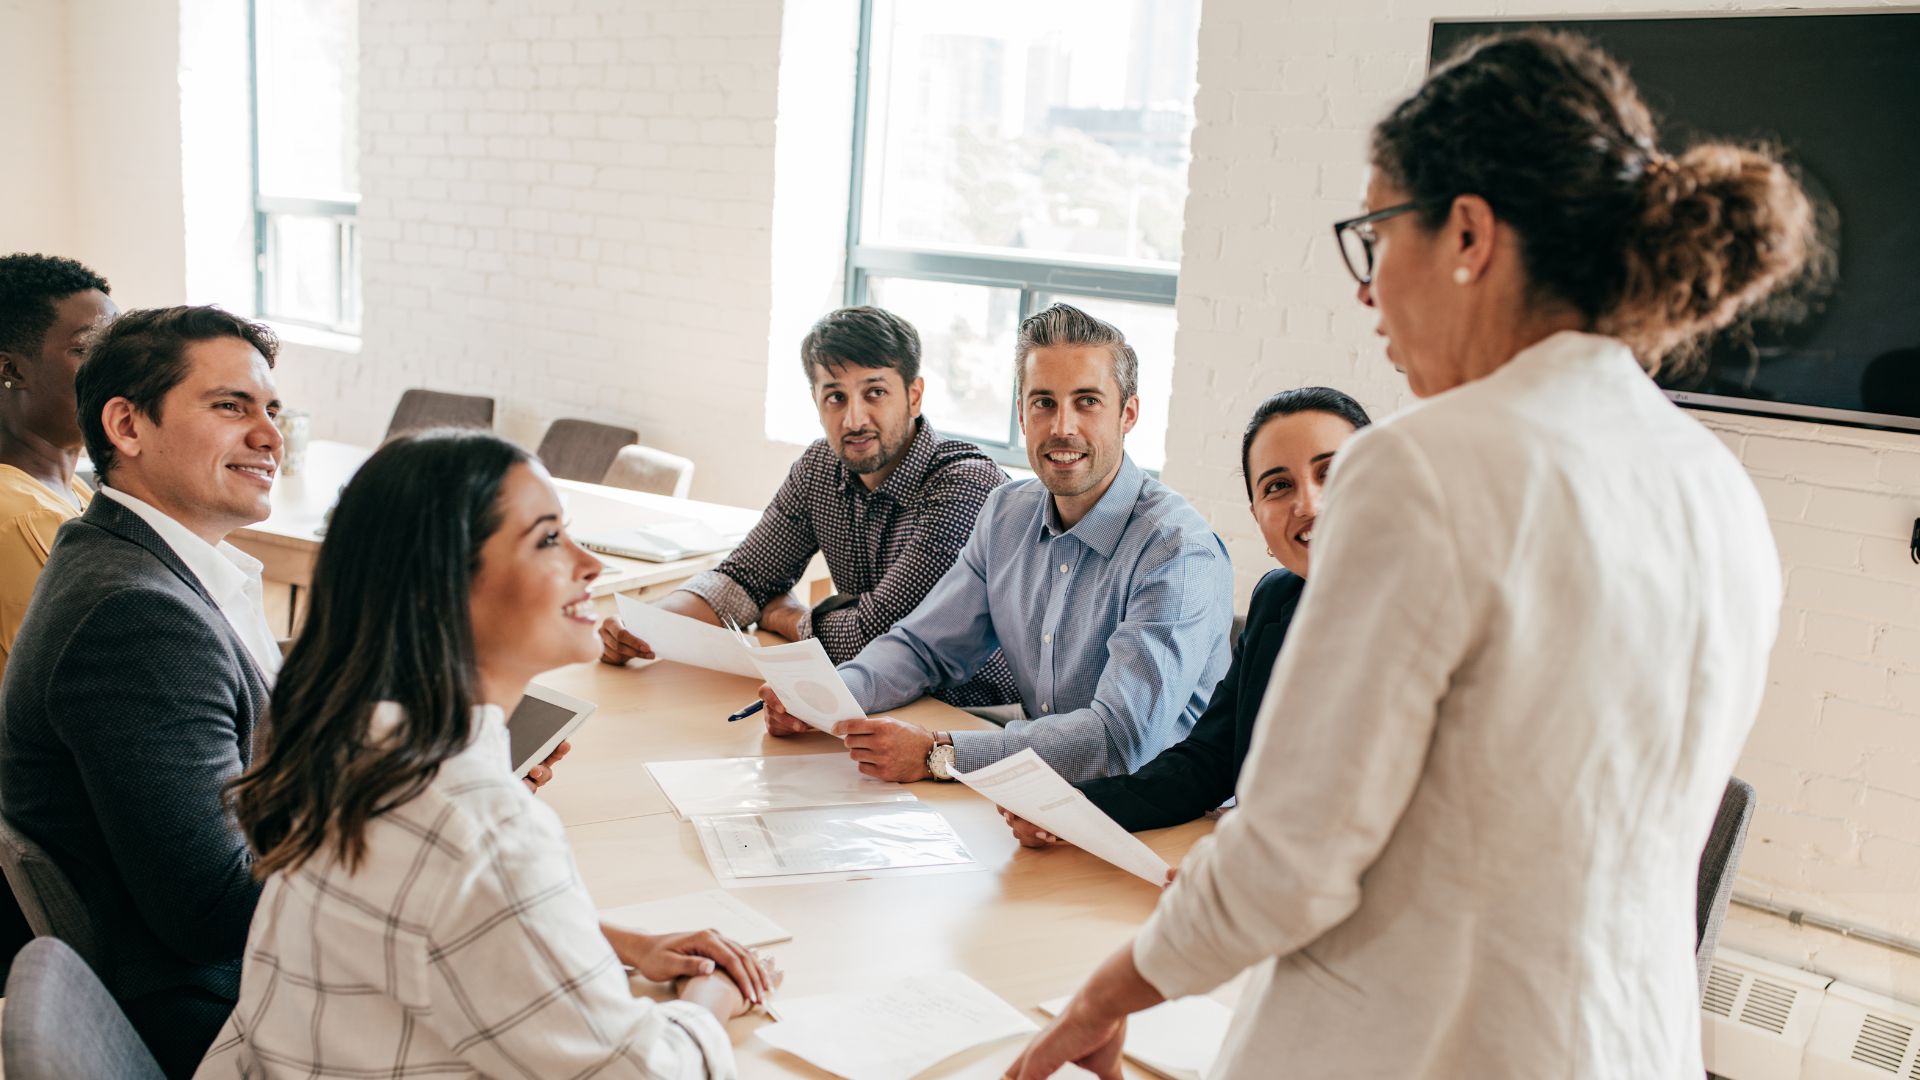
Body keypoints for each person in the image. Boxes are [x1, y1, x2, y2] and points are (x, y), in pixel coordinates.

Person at [1009, 29, 1818, 1080]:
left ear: (1468, 234)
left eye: (1378, 234)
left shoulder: (1419, 468)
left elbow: (1294, 856)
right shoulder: (1718, 488)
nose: (1367, 289)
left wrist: (1104, 997)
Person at [198, 431, 774, 1078]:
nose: (591, 565)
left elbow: (434, 929)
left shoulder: (355, 739)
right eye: (549, 540)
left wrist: (615, 944)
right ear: (441, 585)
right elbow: (641, 1072)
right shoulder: (479, 828)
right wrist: (713, 997)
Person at [761, 303, 1235, 784]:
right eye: (1043, 402)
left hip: (1167, 818)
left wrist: (940, 755)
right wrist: (825, 696)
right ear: (1022, 415)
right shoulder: (1007, 513)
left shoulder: (1177, 551)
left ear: (1127, 414)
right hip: (1044, 800)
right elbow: (924, 646)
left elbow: (1120, 740)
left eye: (1087, 402)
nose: (1062, 427)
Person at [1002, 387, 1370, 846]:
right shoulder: (1279, 600)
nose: (1309, 505)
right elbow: (1208, 761)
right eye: (1278, 486)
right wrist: (1075, 810)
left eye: (1331, 472)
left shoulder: (1447, 611)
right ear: (1259, 518)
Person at [599, 306, 1019, 706]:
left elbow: (880, 636)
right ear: (816, 400)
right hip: (871, 696)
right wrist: (646, 626)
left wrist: (790, 616)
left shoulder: (963, 485)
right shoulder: (820, 467)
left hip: (975, 712)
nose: (854, 419)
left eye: (875, 393)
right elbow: (743, 578)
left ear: (914, 395)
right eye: (835, 397)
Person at [0, 252, 116, 677]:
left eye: (117, 348)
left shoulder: (70, 491)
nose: (118, 371)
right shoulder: (23, 518)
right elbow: (99, 679)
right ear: (9, 368)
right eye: (87, 350)